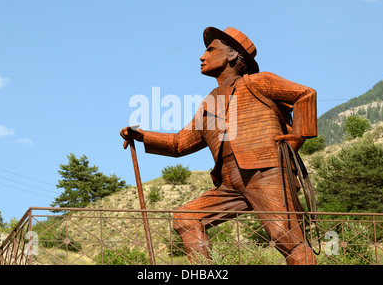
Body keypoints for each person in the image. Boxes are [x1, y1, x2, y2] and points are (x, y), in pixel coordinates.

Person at [120, 27, 318, 265]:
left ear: (232, 55)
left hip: (265, 172)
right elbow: (179, 143)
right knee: (186, 218)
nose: (202, 56)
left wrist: (298, 137)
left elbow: (306, 95)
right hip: (228, 182)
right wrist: (142, 136)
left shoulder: (258, 82)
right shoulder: (209, 104)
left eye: (210, 49)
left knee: (288, 240)